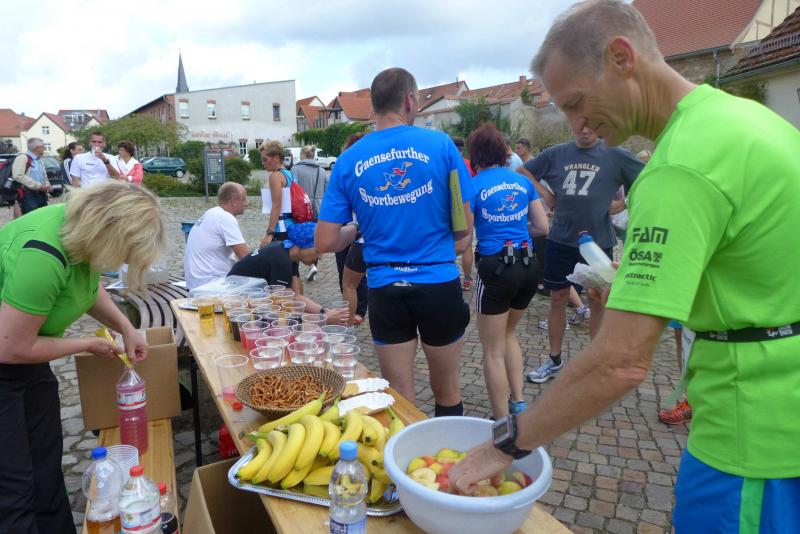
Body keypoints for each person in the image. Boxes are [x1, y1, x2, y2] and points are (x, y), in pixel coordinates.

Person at [450, 3, 800, 532]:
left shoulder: (679, 165)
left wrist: (508, 444)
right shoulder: (749, 120)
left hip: (754, 435)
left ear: (621, 58)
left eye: (575, 102)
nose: (576, 125)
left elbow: (620, 361)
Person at [0, 181, 166, 533]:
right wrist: (85, 344)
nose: (124, 262)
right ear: (110, 233)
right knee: (13, 485)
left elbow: (87, 289)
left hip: (27, 360)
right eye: (125, 253)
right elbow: (10, 347)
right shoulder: (43, 254)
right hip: (8, 356)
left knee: (45, 467)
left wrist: (126, 327)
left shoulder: (81, 233)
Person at [316, 67, 476, 416]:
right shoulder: (441, 146)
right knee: (447, 391)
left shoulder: (349, 159)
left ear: (373, 106)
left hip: (385, 287)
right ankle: (445, 450)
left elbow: (326, 240)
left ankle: (407, 449)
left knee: (400, 395)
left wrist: (358, 228)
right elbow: (464, 228)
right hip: (438, 283)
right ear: (410, 100)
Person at [519, 125, 642, 383]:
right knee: (557, 298)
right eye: (580, 123)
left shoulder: (615, 154)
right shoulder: (557, 153)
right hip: (561, 240)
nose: (585, 129)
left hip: (598, 244)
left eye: (591, 123)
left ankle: (595, 365)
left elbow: (647, 178)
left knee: (597, 300)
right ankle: (554, 360)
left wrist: (624, 203)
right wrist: (546, 194)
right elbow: (523, 171)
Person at [467, 124, 549, 419]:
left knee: (492, 350)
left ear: (475, 154)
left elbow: (464, 234)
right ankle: (519, 401)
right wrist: (516, 230)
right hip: (528, 265)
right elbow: (542, 227)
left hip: (496, 268)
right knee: (509, 333)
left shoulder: (473, 186)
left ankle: (502, 420)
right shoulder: (522, 182)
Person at [229, 222, 347, 325]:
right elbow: (283, 308)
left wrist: (325, 312)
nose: (320, 257)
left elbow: (296, 296)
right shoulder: (281, 260)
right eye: (317, 251)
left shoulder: (288, 253)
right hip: (233, 302)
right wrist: (323, 319)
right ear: (301, 244)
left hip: (244, 296)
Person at [184, 182, 250, 290]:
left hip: (195, 283)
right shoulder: (225, 217)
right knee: (260, 289)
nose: (247, 203)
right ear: (233, 201)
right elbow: (244, 256)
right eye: (244, 199)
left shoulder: (211, 213)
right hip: (210, 285)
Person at [333, 132, 369, 326]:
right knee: (346, 274)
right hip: (349, 226)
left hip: (359, 232)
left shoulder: (352, 172)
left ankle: (356, 313)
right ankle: (352, 311)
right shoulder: (349, 172)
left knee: (351, 280)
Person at [291, 145, 327, 281]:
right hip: (318, 209)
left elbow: (292, 189)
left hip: (301, 209)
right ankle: (313, 266)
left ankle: (296, 271)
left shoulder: (295, 169)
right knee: (314, 240)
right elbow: (327, 190)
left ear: (302, 155)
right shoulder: (322, 170)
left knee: (297, 238)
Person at [451, 136, 478, 291]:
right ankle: (467, 278)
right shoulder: (470, 164)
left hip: (451, 207)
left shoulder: (447, 162)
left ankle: (450, 273)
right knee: (467, 244)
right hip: (469, 207)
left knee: (450, 242)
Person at [259, 140, 295, 246]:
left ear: (276, 157)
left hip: (281, 228)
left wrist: (269, 233)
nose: (263, 163)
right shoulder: (290, 174)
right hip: (292, 225)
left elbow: (276, 205)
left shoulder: (275, 176)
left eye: (265, 159)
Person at [12, 138, 51, 214]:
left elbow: (44, 177)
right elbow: (17, 175)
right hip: (28, 195)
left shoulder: (39, 160)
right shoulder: (22, 158)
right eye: (43, 146)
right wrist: (38, 186)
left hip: (41, 194)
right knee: (32, 218)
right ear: (36, 148)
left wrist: (47, 185)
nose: (44, 148)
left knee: (43, 217)